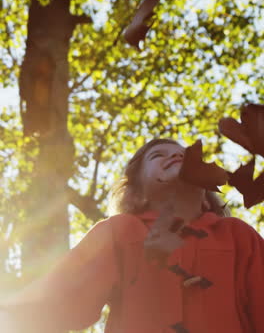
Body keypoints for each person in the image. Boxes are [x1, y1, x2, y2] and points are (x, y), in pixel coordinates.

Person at [0, 138, 263, 333]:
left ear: (207, 198)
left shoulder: (238, 235)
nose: (175, 157)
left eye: (184, 156)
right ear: (137, 193)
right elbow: (58, 297)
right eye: (158, 155)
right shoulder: (119, 231)